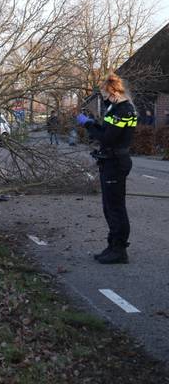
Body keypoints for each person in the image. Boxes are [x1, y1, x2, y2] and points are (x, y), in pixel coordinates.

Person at [76, 72, 137, 264]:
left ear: (112, 91)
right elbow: (107, 131)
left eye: (104, 93)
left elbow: (108, 137)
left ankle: (119, 249)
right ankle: (112, 245)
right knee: (108, 207)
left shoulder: (123, 109)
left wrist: (88, 125)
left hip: (116, 162)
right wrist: (94, 123)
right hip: (110, 161)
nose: (103, 97)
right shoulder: (115, 107)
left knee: (115, 207)